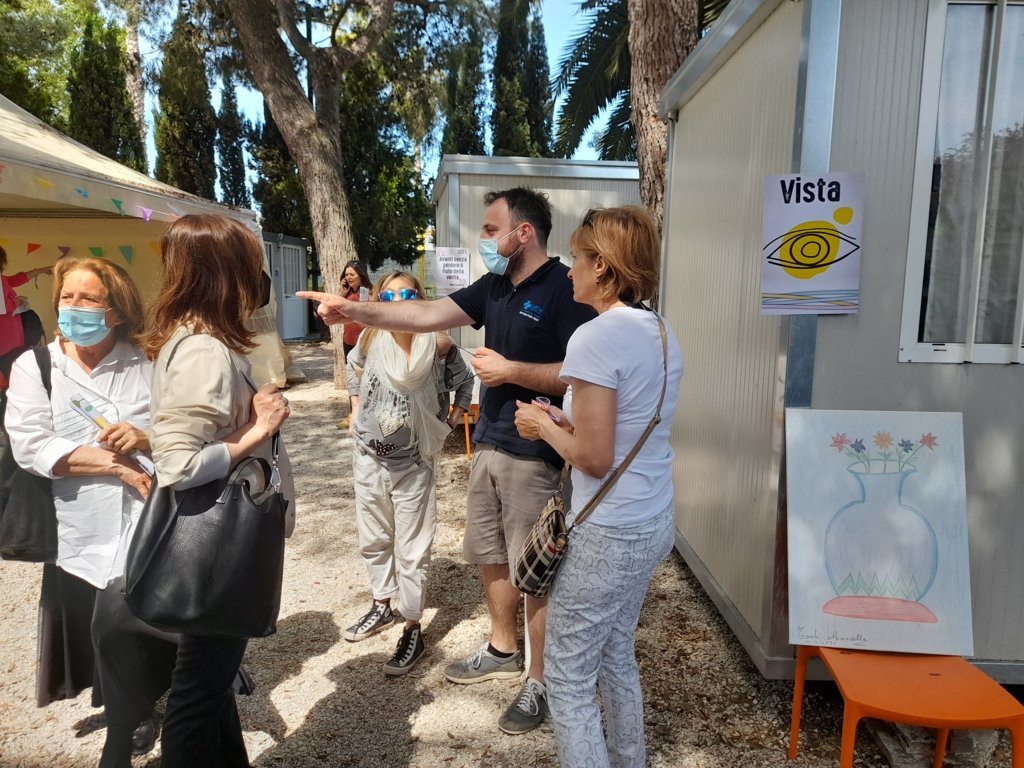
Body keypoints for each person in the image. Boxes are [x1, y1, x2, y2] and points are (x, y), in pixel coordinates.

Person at [298, 187, 596, 734]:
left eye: (490, 229)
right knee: (492, 555)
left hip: (536, 449)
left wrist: (512, 372)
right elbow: (426, 312)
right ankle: (503, 648)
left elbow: (581, 374)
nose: (484, 238)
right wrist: (355, 310)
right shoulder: (494, 286)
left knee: (536, 569)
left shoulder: (564, 288)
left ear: (523, 232)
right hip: (490, 440)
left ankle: (540, 680)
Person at [513, 206, 683, 768]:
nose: (569, 271)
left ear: (604, 267)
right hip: (652, 517)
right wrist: (564, 422)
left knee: (566, 676)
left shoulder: (594, 337)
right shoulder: (661, 331)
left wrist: (541, 426)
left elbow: (594, 457)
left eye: (578, 258)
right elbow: (626, 425)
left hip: (607, 531)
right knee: (615, 652)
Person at [6, 256, 173, 766]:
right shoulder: (36, 366)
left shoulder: (147, 360)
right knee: (98, 631)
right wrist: (115, 466)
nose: (73, 308)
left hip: (145, 517)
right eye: (67, 297)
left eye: (88, 299)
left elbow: (181, 428)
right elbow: (31, 444)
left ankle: (125, 730)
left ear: (116, 310)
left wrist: (147, 437)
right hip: (74, 524)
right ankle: (131, 711)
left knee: (128, 623)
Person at [143, 214, 293, 768]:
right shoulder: (204, 349)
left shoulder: (195, 339)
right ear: (224, 273)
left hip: (213, 541)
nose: (259, 278)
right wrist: (258, 429)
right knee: (198, 692)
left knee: (213, 678)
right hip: (216, 546)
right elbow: (178, 464)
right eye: (251, 265)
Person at [342, 271, 473, 675]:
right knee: (374, 537)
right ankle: (382, 604)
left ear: (419, 297)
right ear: (379, 299)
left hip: (413, 462)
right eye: (389, 295)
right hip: (368, 457)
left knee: (413, 547)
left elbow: (466, 382)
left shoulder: (438, 344)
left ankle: (412, 625)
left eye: (407, 293)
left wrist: (450, 420)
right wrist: (354, 409)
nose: (398, 300)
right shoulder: (370, 337)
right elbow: (353, 366)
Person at [0, 245, 52, 387]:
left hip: (11, 340)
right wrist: (16, 301)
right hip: (6, 341)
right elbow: (1, 306)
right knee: (14, 381)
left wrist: (40, 271)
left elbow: (15, 280)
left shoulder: (2, 280)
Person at [338, 260, 370, 430]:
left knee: (366, 377)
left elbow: (367, 310)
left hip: (365, 341)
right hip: (348, 340)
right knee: (352, 379)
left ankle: (366, 413)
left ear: (361, 275)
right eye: (346, 274)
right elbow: (333, 309)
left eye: (352, 274)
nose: (349, 277)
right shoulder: (345, 293)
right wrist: (342, 293)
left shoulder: (369, 292)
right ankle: (352, 413)